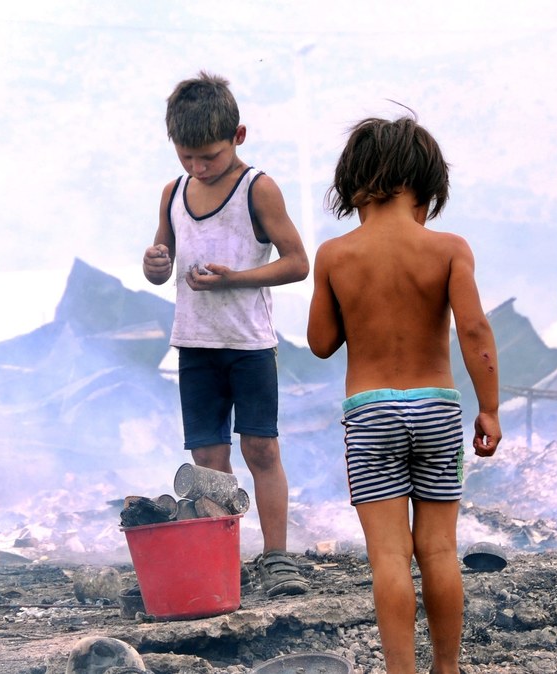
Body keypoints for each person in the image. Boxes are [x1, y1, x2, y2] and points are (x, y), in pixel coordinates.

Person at [306, 115, 501, 674]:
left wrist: (355, 301)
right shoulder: (448, 249)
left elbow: (320, 343)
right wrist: (488, 406)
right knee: (438, 550)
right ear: (425, 187)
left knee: (389, 556)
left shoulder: (336, 255)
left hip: (371, 413)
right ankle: (448, 668)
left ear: (354, 187)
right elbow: (475, 332)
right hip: (437, 407)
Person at [141, 71, 311, 597]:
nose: (198, 167)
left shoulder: (256, 188)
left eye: (208, 156)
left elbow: (298, 262)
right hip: (194, 344)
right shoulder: (173, 193)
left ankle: (277, 558)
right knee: (208, 460)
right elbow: (160, 268)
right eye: (186, 156)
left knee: (260, 448)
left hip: (249, 344)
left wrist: (235, 280)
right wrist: (154, 263)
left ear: (238, 136)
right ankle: (222, 559)